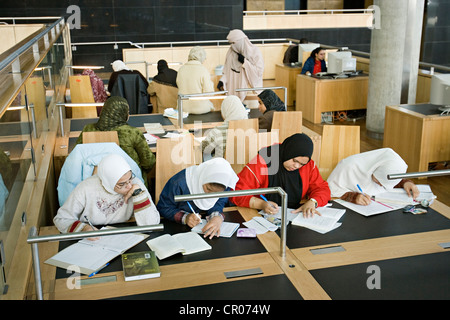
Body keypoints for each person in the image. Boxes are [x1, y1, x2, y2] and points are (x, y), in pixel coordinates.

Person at [54, 154, 160, 236]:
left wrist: (139, 194)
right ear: (109, 182)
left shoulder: (135, 184)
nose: (129, 186)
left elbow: (152, 225)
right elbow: (61, 219)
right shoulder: (86, 188)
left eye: (130, 178)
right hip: (94, 237)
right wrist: (84, 229)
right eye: (122, 184)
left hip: (124, 234)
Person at [230, 133, 330, 218]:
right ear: (288, 152)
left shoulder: (308, 165)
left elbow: (322, 188)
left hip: (294, 215)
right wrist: (261, 204)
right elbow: (236, 192)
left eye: (302, 164)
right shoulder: (263, 161)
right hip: (260, 214)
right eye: (295, 161)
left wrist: (313, 201)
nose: (297, 166)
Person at [75, 96, 156, 186]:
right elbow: (149, 162)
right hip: (128, 184)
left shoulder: (88, 129)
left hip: (95, 183)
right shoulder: (132, 133)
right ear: (122, 114)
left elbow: (77, 156)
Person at [156, 158, 238, 239]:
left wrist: (217, 217)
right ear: (203, 178)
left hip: (203, 230)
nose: (210, 195)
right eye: (208, 189)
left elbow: (219, 202)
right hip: (179, 231)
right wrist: (185, 217)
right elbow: (163, 207)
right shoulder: (178, 183)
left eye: (217, 193)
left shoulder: (225, 185)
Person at [327, 148, 420, 206]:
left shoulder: (383, 171)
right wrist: (352, 197)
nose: (380, 185)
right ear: (375, 168)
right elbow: (330, 190)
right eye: (379, 181)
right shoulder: (348, 167)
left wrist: (406, 183)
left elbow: (389, 181)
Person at [218, 30, 264, 102]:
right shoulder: (231, 52)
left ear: (241, 41)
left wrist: (245, 62)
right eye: (231, 43)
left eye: (234, 43)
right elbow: (227, 70)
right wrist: (222, 80)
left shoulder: (254, 51)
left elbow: (258, 71)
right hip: (232, 86)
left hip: (248, 90)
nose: (233, 45)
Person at [176, 46, 215, 114]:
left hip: (183, 108)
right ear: (201, 57)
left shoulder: (181, 70)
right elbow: (209, 93)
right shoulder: (203, 70)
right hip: (201, 109)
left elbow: (179, 85)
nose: (205, 58)